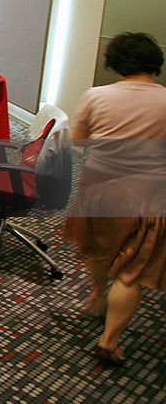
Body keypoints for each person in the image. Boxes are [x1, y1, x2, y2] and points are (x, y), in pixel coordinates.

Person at [64, 32, 166, 366]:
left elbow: (78, 142)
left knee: (97, 248)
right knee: (132, 269)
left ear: (115, 63)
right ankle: (109, 339)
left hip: (99, 188)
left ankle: (97, 292)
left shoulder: (96, 96)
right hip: (148, 193)